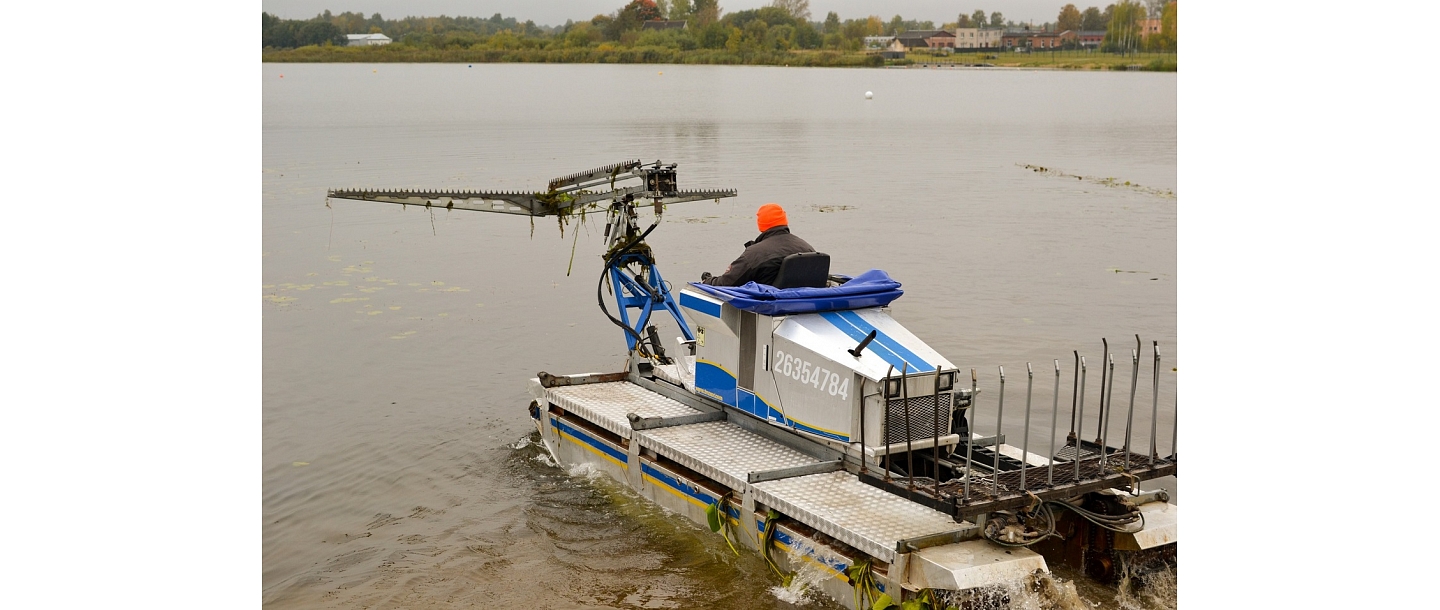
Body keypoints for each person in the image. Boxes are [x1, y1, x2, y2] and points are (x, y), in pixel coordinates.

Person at [700, 203, 815, 287]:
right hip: (808, 304)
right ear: (784, 221)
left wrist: (708, 281)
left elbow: (727, 282)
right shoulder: (807, 248)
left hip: (770, 308)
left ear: (761, 225)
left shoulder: (755, 253)